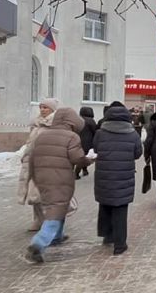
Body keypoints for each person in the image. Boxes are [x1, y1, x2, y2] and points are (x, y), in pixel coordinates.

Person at [25, 108, 93, 263]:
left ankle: (57, 236)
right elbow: (77, 158)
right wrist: (88, 160)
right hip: (60, 178)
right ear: (72, 122)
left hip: (42, 177)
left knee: (57, 205)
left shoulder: (42, 135)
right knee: (56, 208)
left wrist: (33, 177)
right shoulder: (71, 137)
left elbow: (31, 157)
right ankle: (38, 243)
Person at [92, 105, 143, 255]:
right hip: (123, 176)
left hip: (104, 175)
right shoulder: (133, 134)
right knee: (120, 208)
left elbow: (96, 149)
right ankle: (120, 244)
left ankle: (107, 236)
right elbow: (138, 153)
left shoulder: (100, 133)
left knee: (105, 203)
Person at [17, 98, 58, 231]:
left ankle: (50, 221)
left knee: (43, 194)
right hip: (32, 162)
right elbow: (30, 143)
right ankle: (38, 219)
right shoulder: (37, 124)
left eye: (45, 107)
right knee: (34, 193)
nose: (42, 110)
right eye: (41, 107)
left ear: (52, 109)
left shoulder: (54, 125)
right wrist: (25, 156)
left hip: (46, 163)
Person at [76, 107, 97, 179]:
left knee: (81, 157)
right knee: (85, 157)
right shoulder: (91, 121)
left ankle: (84, 170)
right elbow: (95, 131)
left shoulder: (77, 120)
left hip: (77, 140)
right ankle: (76, 173)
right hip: (87, 142)